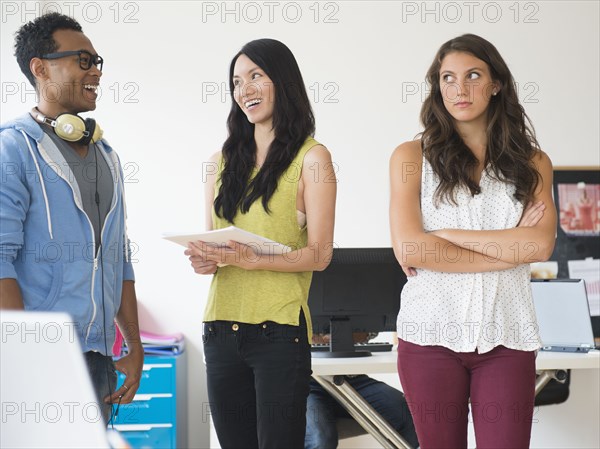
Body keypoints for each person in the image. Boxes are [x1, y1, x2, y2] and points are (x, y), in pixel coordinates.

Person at [389, 34, 556, 448]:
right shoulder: (410, 158)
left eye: (473, 75)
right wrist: (507, 251)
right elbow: (413, 248)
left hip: (507, 336)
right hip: (428, 337)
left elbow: (540, 246)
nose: (459, 89)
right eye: (448, 78)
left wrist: (447, 237)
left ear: (496, 83)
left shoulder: (533, 163)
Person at [185, 39, 336, 449]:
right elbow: (215, 246)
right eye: (236, 81)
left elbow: (320, 255)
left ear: (282, 82)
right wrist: (205, 260)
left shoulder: (312, 159)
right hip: (220, 328)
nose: (245, 89)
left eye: (256, 76)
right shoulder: (219, 162)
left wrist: (257, 260)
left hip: (278, 333)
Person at [0, 12, 143, 423]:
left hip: (98, 360)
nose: (95, 71)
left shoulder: (107, 156)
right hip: (39, 359)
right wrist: (23, 356)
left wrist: (133, 345)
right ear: (40, 68)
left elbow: (120, 257)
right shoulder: (14, 149)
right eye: (83, 60)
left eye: (97, 62)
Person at [305, 334, 419, 449]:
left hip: (351, 378)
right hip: (307, 384)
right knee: (320, 440)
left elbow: (370, 330)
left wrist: (342, 335)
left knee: (408, 413)